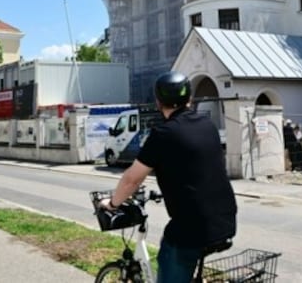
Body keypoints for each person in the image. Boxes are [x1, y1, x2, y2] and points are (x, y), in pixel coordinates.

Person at [102, 71, 237, 283]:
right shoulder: (207, 126)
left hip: (191, 228)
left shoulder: (163, 134)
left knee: (171, 250)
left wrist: (112, 203)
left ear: (158, 101)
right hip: (225, 220)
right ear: (189, 99)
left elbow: (132, 180)